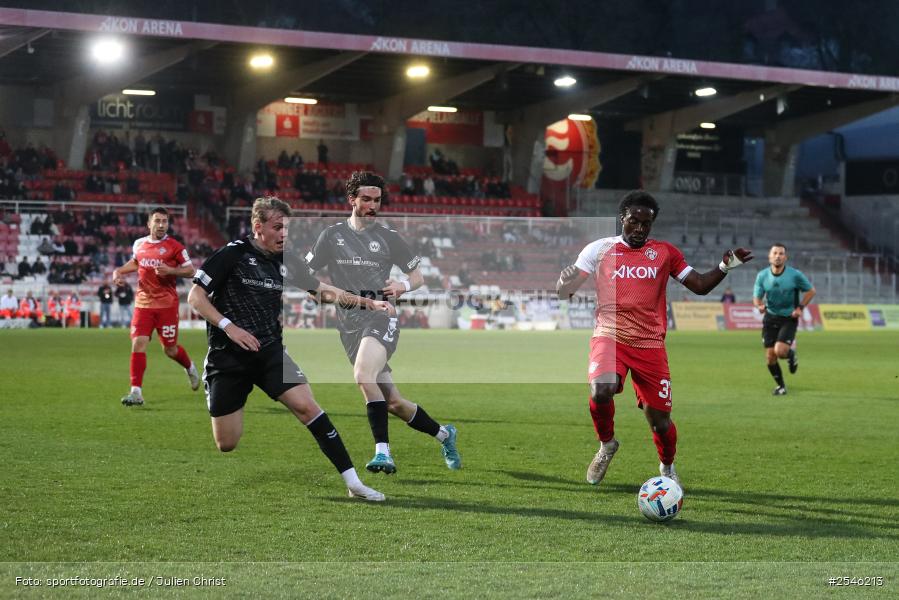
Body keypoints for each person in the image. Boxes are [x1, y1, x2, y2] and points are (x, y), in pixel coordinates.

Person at [187, 196, 391, 501]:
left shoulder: (288, 260)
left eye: (287, 228)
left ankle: (353, 483)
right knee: (226, 443)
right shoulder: (233, 254)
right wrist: (230, 327)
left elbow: (321, 291)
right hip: (227, 356)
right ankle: (211, 382)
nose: (284, 234)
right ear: (258, 227)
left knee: (309, 407)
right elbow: (195, 297)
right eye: (277, 227)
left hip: (269, 353)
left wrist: (367, 302)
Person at [556, 190, 752, 489]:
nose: (639, 229)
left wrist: (724, 267)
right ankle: (606, 445)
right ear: (622, 219)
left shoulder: (665, 253)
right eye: (634, 221)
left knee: (659, 422)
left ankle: (667, 465)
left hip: (650, 345)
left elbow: (698, 285)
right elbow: (565, 292)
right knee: (601, 390)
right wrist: (563, 282)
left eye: (646, 224)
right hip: (610, 335)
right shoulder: (598, 249)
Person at [305, 171, 461, 475]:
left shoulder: (389, 238)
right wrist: (317, 292)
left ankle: (383, 453)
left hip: (381, 317)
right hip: (348, 325)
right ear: (352, 200)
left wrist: (403, 286)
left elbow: (417, 277)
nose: (372, 205)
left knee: (363, 375)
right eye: (366, 199)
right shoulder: (331, 236)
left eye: (377, 200)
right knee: (394, 403)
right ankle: (445, 434)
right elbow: (306, 276)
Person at [112, 207, 199, 406]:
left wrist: (171, 270)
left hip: (166, 305)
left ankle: (190, 367)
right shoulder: (139, 244)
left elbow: (190, 270)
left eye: (165, 221)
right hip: (143, 304)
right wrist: (119, 272)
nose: (161, 225)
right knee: (138, 343)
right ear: (149, 223)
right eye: (157, 221)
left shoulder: (175, 246)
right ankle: (136, 392)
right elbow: (136, 263)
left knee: (170, 350)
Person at [752, 244, 816, 396]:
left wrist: (800, 307)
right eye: (775, 253)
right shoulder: (762, 276)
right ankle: (781, 386)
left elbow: (811, 291)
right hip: (770, 318)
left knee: (780, 351)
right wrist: (759, 305)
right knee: (770, 357)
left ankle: (790, 354)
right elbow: (757, 297)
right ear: (769, 256)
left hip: (788, 318)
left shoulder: (795, 275)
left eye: (781, 253)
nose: (778, 256)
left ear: (785, 257)